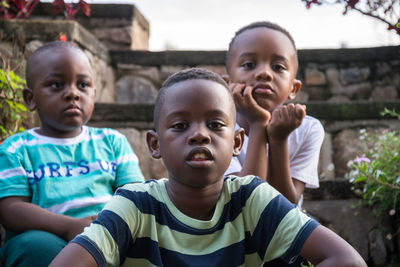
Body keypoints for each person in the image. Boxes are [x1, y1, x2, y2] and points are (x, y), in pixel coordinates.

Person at [50, 68, 366, 267]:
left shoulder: (253, 199)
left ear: (238, 142)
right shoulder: (135, 205)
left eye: (215, 124)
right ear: (155, 144)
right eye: (180, 125)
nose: (200, 133)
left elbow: (346, 259)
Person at [0, 41, 145, 267]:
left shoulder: (113, 142)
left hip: (109, 235)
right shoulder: (16, 148)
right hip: (50, 238)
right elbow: (11, 209)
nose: (72, 94)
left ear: (94, 94)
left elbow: (135, 196)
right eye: (57, 85)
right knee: (32, 247)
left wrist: (109, 228)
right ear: (30, 98)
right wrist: (68, 226)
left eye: (83, 85)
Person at [224, 21, 325, 206]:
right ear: (227, 83)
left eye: (278, 67)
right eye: (249, 64)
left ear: (294, 88)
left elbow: (286, 208)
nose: (264, 73)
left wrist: (279, 139)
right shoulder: (217, 128)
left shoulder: (307, 129)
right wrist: (258, 124)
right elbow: (246, 202)